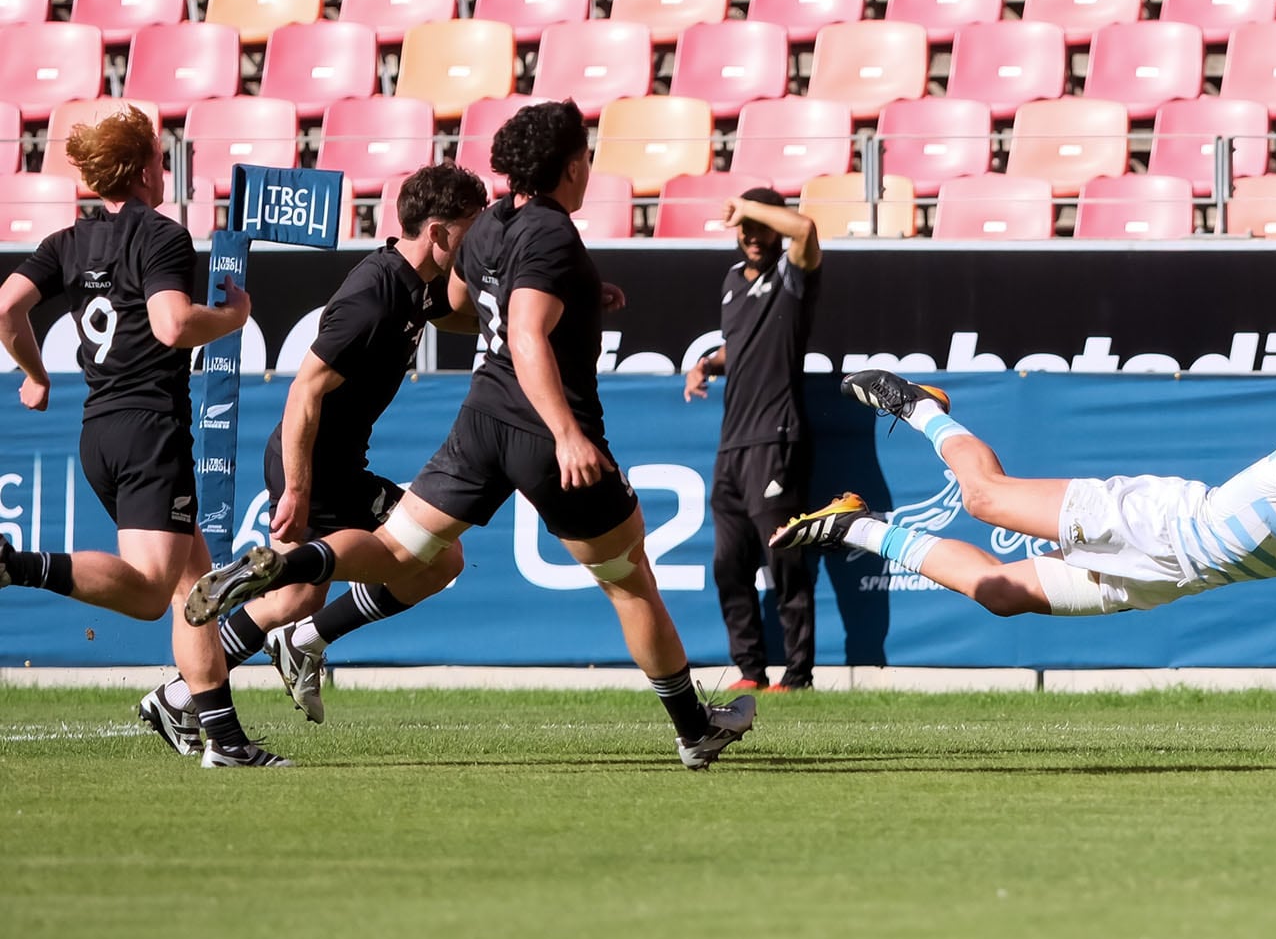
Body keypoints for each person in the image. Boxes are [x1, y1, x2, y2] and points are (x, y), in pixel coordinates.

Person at [182, 101, 758, 770]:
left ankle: (289, 565)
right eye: (587, 156)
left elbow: (469, 304)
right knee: (630, 583)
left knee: (400, 556)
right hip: (543, 432)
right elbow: (524, 330)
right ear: (574, 165)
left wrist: (581, 293)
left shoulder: (490, 230)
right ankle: (694, 728)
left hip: (479, 425)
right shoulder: (550, 233)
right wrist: (567, 433)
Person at [772, 370, 1276, 618]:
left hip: (1168, 574)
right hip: (1152, 516)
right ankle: (919, 407)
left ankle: (855, 528)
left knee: (999, 594)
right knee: (983, 497)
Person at [153, 164, 488, 730]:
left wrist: (511, 318)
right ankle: (191, 692)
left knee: (423, 562)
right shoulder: (375, 296)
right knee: (310, 593)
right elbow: (304, 390)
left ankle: (264, 658)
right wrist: (299, 492)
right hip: (308, 464)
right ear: (437, 232)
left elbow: (453, 315)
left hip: (339, 467)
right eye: (469, 228)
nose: (476, 240)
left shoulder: (416, 283)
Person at [0, 107, 285, 766]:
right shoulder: (160, 235)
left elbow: (8, 306)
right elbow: (171, 326)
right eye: (160, 155)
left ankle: (228, 741)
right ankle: (19, 564)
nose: (165, 166)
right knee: (156, 590)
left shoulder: (71, 241)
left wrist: (35, 372)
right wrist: (232, 316)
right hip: (150, 428)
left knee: (196, 585)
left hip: (99, 428)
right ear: (147, 168)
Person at [683, 188, 823, 692]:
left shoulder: (791, 276)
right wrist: (706, 365)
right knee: (727, 565)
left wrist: (747, 207)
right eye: (742, 229)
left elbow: (804, 229)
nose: (750, 237)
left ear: (771, 225)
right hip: (731, 448)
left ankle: (799, 674)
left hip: (775, 440)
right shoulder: (730, 282)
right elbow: (738, 345)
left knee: (783, 560)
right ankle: (749, 671)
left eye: (758, 226)